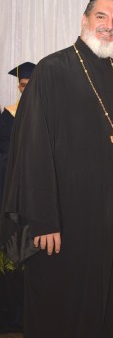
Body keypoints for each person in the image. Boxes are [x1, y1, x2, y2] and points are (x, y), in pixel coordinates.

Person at [0, 0, 113, 338]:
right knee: (62, 311)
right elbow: (31, 150)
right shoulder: (51, 71)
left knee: (112, 307)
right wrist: (44, 219)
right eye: (102, 17)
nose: (109, 27)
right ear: (84, 19)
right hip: (63, 224)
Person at [0, 62, 35, 333]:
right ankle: (13, 316)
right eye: (22, 86)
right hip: (12, 197)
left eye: (30, 85)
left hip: (38, 198)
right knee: (13, 256)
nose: (25, 90)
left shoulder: (46, 113)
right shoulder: (7, 116)